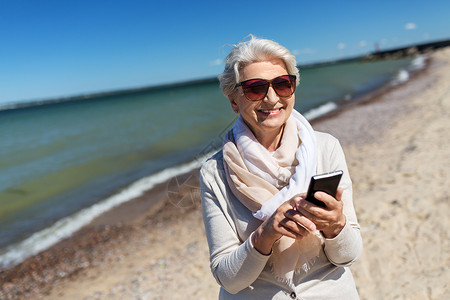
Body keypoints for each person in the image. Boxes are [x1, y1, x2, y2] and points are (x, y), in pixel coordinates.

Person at [200, 36, 363, 299]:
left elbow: (349, 256)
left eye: (283, 84)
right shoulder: (214, 172)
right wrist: (264, 234)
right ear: (233, 101)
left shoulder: (326, 148)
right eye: (255, 89)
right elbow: (228, 280)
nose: (272, 97)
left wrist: (336, 226)